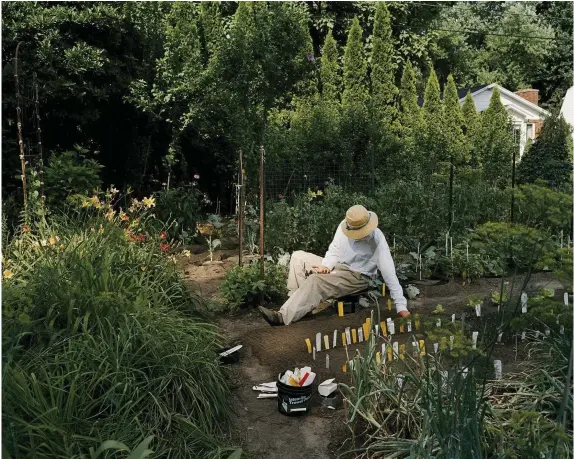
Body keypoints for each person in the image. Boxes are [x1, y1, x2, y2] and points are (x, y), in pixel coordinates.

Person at [258, 204, 410, 326]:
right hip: (339, 267)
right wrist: (327, 266)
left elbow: (389, 272)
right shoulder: (345, 225)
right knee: (298, 257)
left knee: (315, 281)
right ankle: (298, 306)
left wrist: (401, 306)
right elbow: (334, 250)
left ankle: (282, 317)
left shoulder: (376, 240)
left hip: (358, 277)